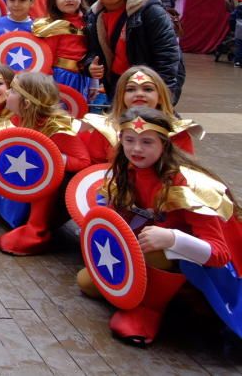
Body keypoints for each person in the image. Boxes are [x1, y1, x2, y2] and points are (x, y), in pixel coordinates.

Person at [76, 107, 242, 346]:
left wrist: (173, 239)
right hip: (145, 248)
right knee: (87, 283)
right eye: (129, 140)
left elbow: (219, 254)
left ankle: (149, 311)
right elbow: (112, 222)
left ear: (164, 144)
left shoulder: (190, 185)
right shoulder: (122, 174)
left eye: (147, 142)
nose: (136, 149)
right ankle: (170, 298)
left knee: (154, 252)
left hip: (208, 269)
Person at [0, 73, 89, 255]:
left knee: (46, 174)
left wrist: (49, 159)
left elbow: (83, 162)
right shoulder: (20, 118)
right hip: (27, 183)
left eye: (13, 90)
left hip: (58, 193)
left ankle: (36, 232)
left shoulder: (58, 127)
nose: (7, 92)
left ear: (26, 103)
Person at [86, 0, 185, 103]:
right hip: (118, 84)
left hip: (149, 85)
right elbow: (92, 51)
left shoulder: (149, 10)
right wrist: (90, 65)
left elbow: (168, 55)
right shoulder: (94, 16)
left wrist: (164, 96)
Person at [34, 0, 92, 97]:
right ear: (53, 0)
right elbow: (47, 55)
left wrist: (94, 81)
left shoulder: (89, 21)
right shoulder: (52, 25)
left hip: (83, 75)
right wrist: (48, 81)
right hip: (60, 76)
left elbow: (93, 52)